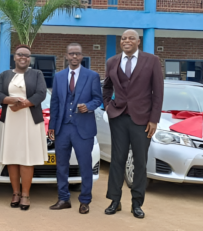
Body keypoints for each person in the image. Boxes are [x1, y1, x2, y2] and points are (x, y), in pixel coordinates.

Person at [102, 29, 164, 219]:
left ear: (138, 42)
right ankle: (114, 200)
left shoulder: (151, 60)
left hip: (142, 120)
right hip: (118, 117)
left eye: (131, 38)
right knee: (117, 160)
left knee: (140, 161)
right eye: (123, 38)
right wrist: (108, 106)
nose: (126, 41)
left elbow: (158, 92)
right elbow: (107, 86)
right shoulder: (112, 61)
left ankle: (137, 203)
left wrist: (154, 119)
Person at [47, 43, 103, 214]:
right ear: (66, 55)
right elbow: (55, 102)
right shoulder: (59, 76)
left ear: (81, 56)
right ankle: (63, 198)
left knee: (85, 165)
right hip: (63, 127)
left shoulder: (92, 76)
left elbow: (98, 99)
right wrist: (52, 126)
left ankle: (85, 200)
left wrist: (88, 106)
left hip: (83, 128)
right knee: (61, 166)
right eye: (71, 54)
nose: (74, 57)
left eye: (77, 54)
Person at [0, 45, 47, 211]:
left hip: (29, 120)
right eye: (20, 54)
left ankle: (25, 195)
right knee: (11, 158)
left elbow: (41, 93)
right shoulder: (5, 74)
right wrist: (11, 102)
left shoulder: (37, 74)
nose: (23, 57)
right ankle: (15, 193)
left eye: (27, 55)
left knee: (27, 159)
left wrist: (22, 104)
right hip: (10, 121)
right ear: (14, 57)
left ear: (29, 58)